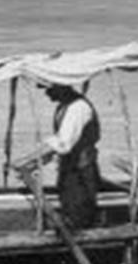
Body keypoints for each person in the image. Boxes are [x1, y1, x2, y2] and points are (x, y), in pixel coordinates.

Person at [13, 82, 101, 230]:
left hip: (81, 175)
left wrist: (27, 159)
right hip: (70, 172)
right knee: (69, 212)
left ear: (61, 87)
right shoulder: (63, 107)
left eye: (49, 89)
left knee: (78, 220)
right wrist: (33, 165)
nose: (46, 93)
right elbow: (57, 147)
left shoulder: (78, 108)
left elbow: (62, 144)